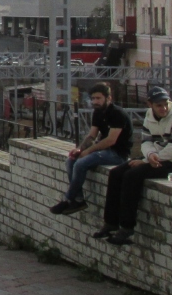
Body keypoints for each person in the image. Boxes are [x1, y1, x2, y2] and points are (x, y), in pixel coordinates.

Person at [95, 86, 172, 246]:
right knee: (116, 174)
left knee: (132, 176)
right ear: (150, 104)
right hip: (155, 157)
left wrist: (148, 160)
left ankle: (126, 227)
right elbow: (146, 141)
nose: (163, 108)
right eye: (159, 105)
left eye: (165, 104)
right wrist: (149, 156)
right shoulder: (149, 117)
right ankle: (110, 222)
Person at [49, 83, 132, 215]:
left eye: (98, 98)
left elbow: (111, 140)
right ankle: (79, 199)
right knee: (71, 161)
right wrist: (80, 149)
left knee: (81, 163)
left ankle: (67, 199)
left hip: (117, 154)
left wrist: (88, 152)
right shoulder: (98, 113)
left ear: (108, 98)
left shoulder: (117, 114)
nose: (95, 102)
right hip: (103, 152)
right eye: (93, 98)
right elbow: (92, 135)